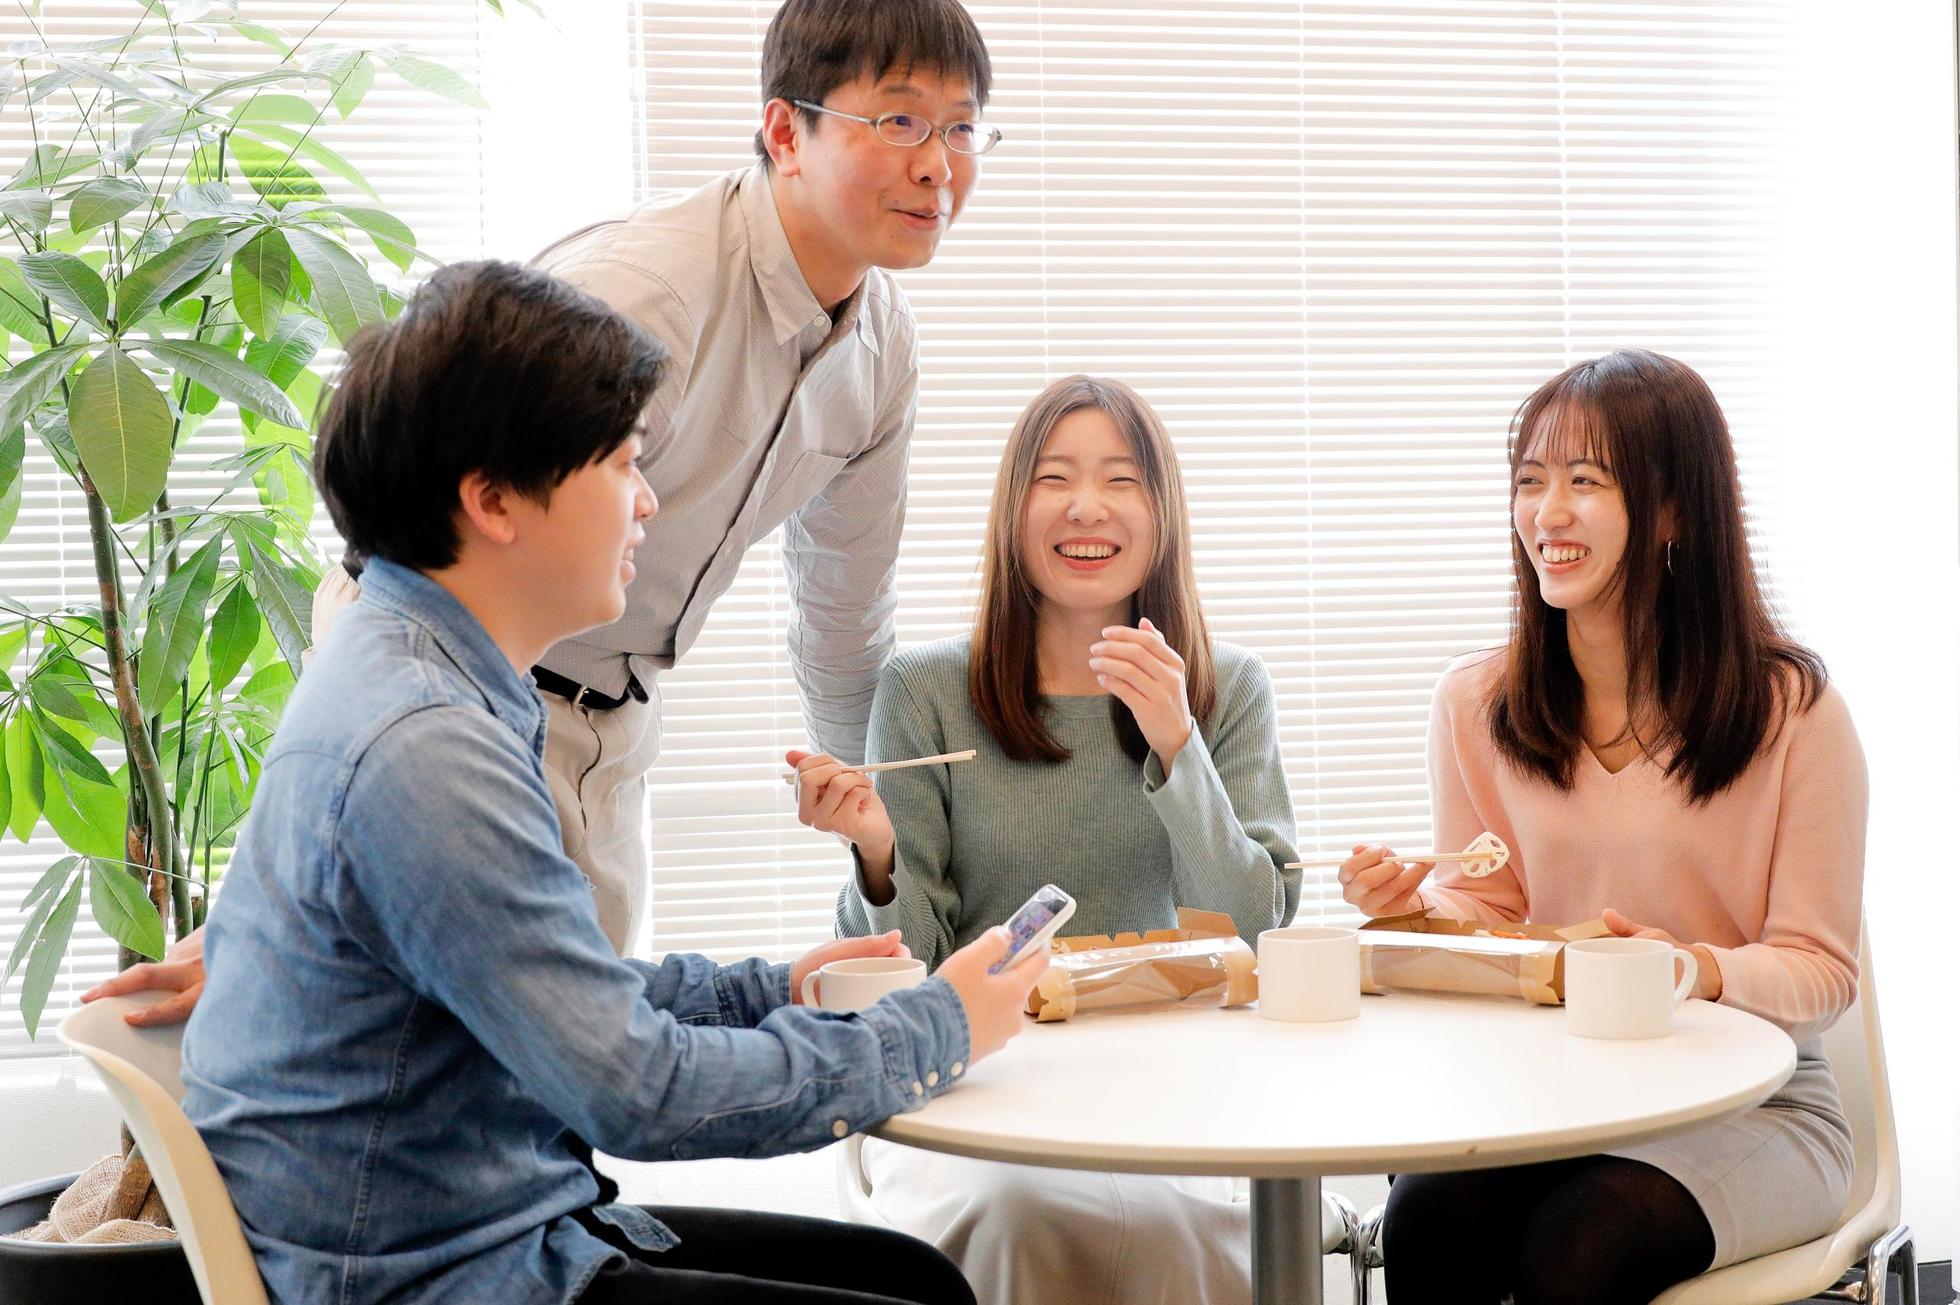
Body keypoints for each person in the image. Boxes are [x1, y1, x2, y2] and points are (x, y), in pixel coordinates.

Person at [88, 0, 1000, 1020]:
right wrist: (299, 870)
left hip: (614, 723)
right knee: (411, 1052)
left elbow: (844, 612)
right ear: (786, 132)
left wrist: (873, 815)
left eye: (963, 128)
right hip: (468, 689)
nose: (939, 165)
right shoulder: (647, 293)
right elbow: (413, 544)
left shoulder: (883, 349)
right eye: (900, 121)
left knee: (565, 1073)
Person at [170, 261, 1046, 1305]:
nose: (649, 503)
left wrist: (770, 990)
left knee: (913, 1278)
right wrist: (939, 1028)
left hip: (484, 1220)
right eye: (625, 464)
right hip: (441, 1272)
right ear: (494, 500)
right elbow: (637, 1090)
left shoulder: (425, 672)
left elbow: (563, 991)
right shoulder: (424, 746)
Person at [1340, 350, 1865, 1305]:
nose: (1548, 512)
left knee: (1581, 1247)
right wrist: (1413, 907)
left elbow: (1822, 972)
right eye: (1530, 480)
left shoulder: (1794, 712)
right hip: (1558, 1094)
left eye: (1586, 481)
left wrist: (1691, 968)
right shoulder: (1476, 703)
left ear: (1672, 510)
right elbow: (1491, 913)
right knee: (1425, 1218)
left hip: (1758, 1103)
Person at [787, 376, 1302, 1305]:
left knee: (1169, 1230)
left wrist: (1177, 744)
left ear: (1163, 512)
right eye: (1054, 478)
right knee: (1022, 1213)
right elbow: (905, 972)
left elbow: (1257, 933)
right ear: (1012, 513)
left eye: (1121, 479)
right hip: (975, 1084)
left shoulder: (1228, 687)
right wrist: (877, 854)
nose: (1086, 507)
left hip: (1172, 1087)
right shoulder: (922, 690)